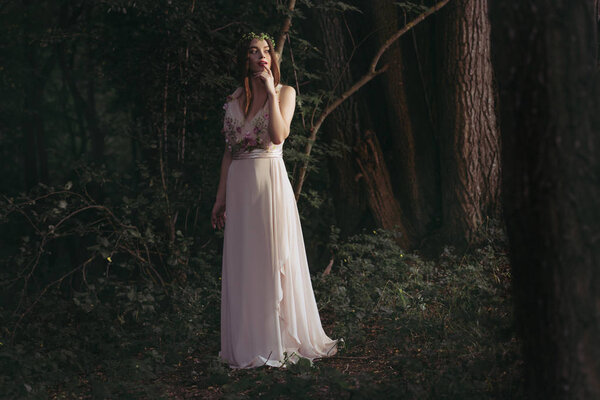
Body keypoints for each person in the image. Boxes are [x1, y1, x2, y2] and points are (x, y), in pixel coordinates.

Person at [211, 32, 339, 368]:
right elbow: (228, 154)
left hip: (269, 185)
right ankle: (246, 342)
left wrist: (269, 93)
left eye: (266, 50)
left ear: (273, 57)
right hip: (239, 189)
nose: (261, 55)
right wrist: (219, 199)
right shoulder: (234, 100)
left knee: (270, 261)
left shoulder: (285, 93)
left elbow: (279, 135)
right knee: (244, 264)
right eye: (254, 51)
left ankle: (275, 341)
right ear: (246, 59)